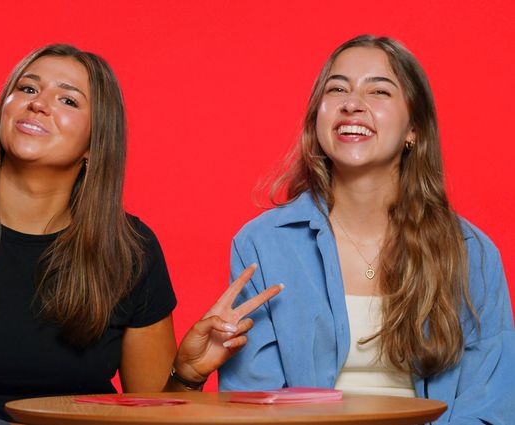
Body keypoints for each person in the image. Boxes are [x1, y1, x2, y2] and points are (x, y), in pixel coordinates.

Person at [0, 44, 282, 425]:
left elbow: (152, 416)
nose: (38, 102)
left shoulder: (131, 250)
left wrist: (188, 373)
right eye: (27, 87)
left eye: (68, 99)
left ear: (94, 143)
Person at [218, 35, 514, 423]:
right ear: (316, 118)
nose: (351, 104)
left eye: (379, 91)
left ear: (415, 129)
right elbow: (253, 404)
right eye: (337, 88)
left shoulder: (470, 252)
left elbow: (489, 406)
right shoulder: (261, 245)